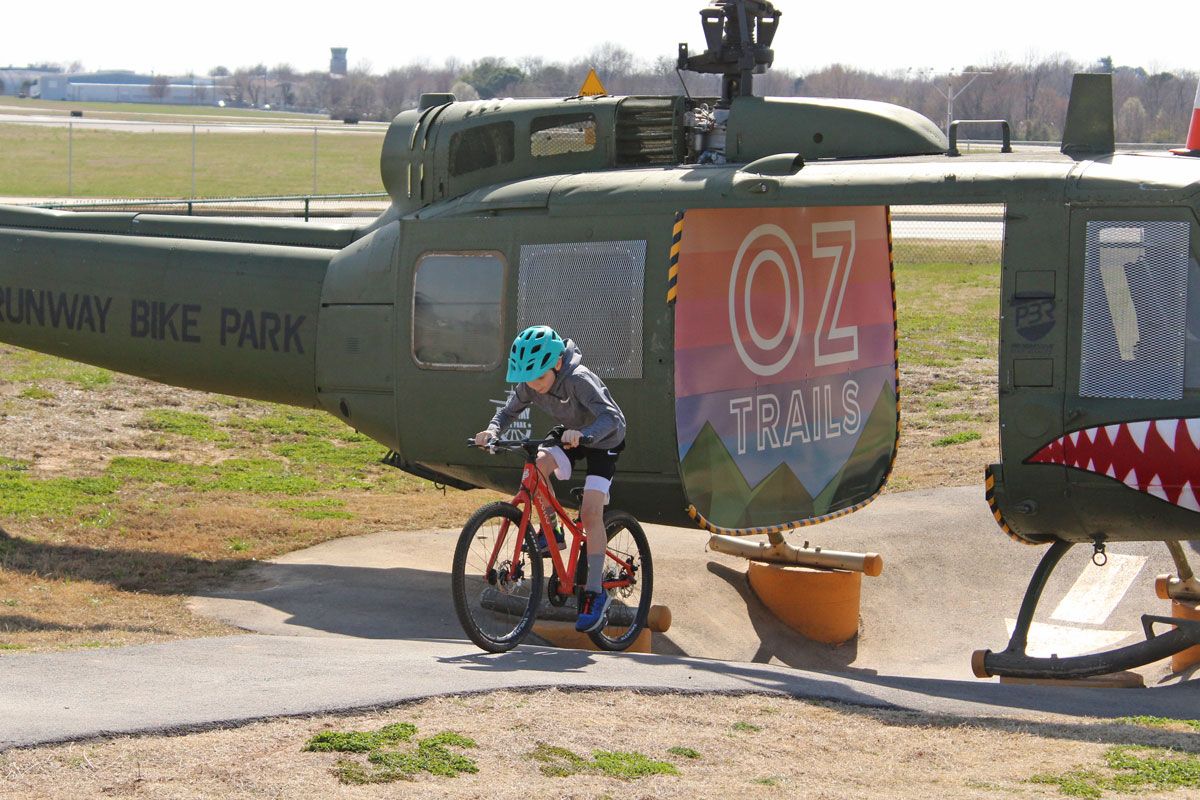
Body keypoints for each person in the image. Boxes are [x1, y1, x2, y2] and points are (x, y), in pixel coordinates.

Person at [474, 325, 626, 633]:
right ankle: (552, 532)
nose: (534, 385)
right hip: (571, 434)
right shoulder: (531, 383)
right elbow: (507, 413)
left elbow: (611, 417)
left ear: (557, 363)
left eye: (539, 378)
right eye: (528, 379)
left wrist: (585, 434)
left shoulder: (579, 379)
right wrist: (492, 431)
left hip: (605, 438)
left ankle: (594, 592)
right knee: (537, 466)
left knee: (591, 513)